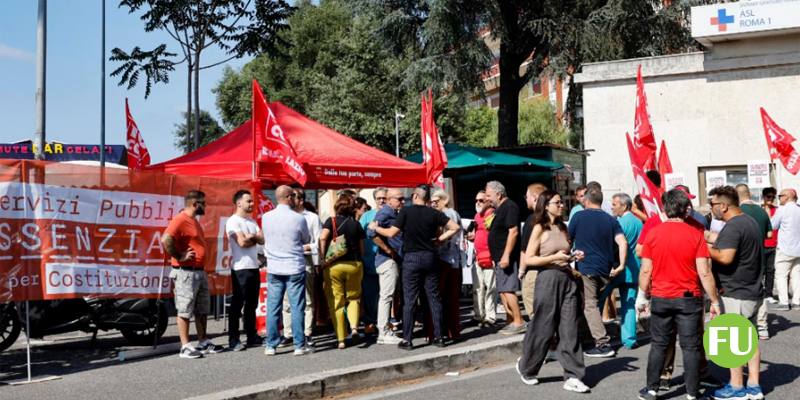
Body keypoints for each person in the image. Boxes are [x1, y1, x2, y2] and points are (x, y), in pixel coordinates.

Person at [636, 189, 721, 400]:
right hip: (689, 298)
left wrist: (641, 296)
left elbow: (646, 269)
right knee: (690, 346)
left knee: (659, 344)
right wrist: (714, 300)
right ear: (684, 209)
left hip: (661, 297)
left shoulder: (654, 233)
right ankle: (693, 393)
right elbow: (704, 271)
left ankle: (652, 388)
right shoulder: (695, 234)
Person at [516, 190, 590, 394]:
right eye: (557, 203)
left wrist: (573, 257)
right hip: (547, 278)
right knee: (544, 327)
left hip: (566, 277)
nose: (562, 206)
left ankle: (574, 375)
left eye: (562, 202)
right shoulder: (538, 227)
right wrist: (554, 257)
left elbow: (563, 254)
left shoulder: (563, 227)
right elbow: (529, 259)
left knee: (570, 328)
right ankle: (527, 368)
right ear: (546, 204)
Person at [370, 185, 461, 350]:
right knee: (434, 298)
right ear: (427, 199)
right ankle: (439, 337)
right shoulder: (434, 213)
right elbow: (455, 227)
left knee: (410, 300)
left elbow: (391, 233)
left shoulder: (406, 212)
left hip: (411, 258)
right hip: (430, 257)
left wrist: (375, 228)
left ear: (414, 196)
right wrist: (440, 239)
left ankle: (407, 339)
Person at [706, 185, 764, 400]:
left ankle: (737, 387)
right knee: (751, 339)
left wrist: (701, 247)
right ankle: (754, 385)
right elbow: (730, 243)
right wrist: (709, 237)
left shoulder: (733, 226)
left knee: (733, 341)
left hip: (736, 291)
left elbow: (726, 256)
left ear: (723, 205)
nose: (711, 208)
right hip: (752, 290)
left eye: (712, 204)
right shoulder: (749, 221)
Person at [162, 190, 223, 359]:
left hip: (198, 272)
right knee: (185, 309)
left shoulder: (193, 221)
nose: (206, 206)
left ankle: (203, 341)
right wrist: (180, 256)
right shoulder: (180, 219)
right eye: (203, 203)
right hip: (185, 273)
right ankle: (185, 346)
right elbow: (166, 239)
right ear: (195, 204)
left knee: (202, 309)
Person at [568, 186, 627, 358]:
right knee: (590, 304)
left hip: (586, 267)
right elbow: (622, 242)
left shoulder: (578, 216)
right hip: (605, 269)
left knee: (589, 305)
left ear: (586, 200)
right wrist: (621, 265)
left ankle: (602, 343)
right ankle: (580, 336)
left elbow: (568, 240)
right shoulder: (610, 220)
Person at [262, 185, 312, 356]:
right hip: (294, 266)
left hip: (274, 266)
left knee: (273, 307)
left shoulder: (266, 217)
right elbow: (306, 238)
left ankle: (271, 344)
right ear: (289, 197)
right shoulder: (298, 218)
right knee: (297, 306)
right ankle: (299, 345)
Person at [319, 195, 367, 349]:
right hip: (354, 264)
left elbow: (322, 237)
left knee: (336, 302)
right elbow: (362, 249)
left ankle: (340, 339)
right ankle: (353, 327)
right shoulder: (356, 224)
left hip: (334, 266)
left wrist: (323, 257)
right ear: (352, 208)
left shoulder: (330, 221)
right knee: (353, 298)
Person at [279, 189, 321, 348]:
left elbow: (318, 243)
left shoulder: (312, 218)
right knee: (287, 301)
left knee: (308, 300)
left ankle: (307, 333)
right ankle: (288, 333)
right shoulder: (285, 217)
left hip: (305, 261)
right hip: (287, 262)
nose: (289, 200)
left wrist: (300, 248)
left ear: (300, 200)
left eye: (293, 197)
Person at [226, 190, 265, 351]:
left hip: (254, 266)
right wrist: (251, 238)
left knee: (252, 304)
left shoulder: (252, 221)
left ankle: (251, 335)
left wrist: (252, 237)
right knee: (237, 304)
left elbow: (262, 238)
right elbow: (241, 242)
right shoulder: (233, 221)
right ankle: (234, 339)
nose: (252, 204)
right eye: (248, 201)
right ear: (239, 203)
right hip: (240, 268)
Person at [485, 180, 525, 335]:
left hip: (505, 256)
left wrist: (506, 255)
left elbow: (513, 231)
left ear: (498, 194)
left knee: (508, 289)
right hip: (499, 257)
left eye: (489, 195)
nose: (487, 198)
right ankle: (511, 320)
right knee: (502, 290)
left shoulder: (509, 207)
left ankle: (518, 321)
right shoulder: (499, 209)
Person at [604, 192, 642, 349]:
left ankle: (598, 336)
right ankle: (630, 339)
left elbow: (614, 246)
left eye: (614, 204)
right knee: (629, 304)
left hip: (617, 268)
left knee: (600, 300)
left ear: (624, 206)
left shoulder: (619, 223)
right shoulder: (638, 223)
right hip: (633, 269)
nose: (612, 207)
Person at [736, 184, 773, 340]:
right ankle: (762, 326)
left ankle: (743, 326)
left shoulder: (737, 213)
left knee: (741, 292)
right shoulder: (761, 211)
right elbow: (770, 234)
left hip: (742, 259)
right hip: (760, 257)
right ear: (749, 194)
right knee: (760, 290)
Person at [368, 188, 405, 344]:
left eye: (403, 199)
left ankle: (384, 330)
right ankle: (383, 332)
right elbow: (371, 233)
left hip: (390, 259)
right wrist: (388, 250)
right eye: (399, 199)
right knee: (386, 295)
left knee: (388, 295)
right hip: (387, 260)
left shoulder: (393, 213)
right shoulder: (386, 213)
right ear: (390, 200)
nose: (402, 201)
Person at [431, 190, 463, 340]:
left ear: (444, 200)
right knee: (449, 297)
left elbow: (450, 230)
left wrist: (438, 240)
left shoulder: (448, 213)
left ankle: (450, 331)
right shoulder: (452, 212)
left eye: (436, 201)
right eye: (432, 202)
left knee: (446, 297)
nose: (433, 204)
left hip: (447, 259)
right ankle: (452, 331)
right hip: (452, 260)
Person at [360, 188, 388, 336]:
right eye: (379, 198)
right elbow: (360, 236)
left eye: (384, 198)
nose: (382, 201)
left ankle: (384, 321)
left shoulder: (391, 214)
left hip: (387, 260)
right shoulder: (366, 216)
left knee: (386, 294)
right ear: (375, 200)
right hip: (369, 260)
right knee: (370, 294)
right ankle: (370, 322)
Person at [519, 183, 548, 318]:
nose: (526, 199)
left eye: (527, 196)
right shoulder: (552, 218)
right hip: (550, 269)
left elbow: (525, 249)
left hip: (534, 270)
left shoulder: (532, 219)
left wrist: (521, 270)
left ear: (535, 198)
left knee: (534, 310)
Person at [469, 190, 497, 327]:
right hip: (478, 256)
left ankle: (490, 316)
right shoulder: (476, 215)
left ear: (488, 201)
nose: (477, 203)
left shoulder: (492, 214)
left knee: (490, 288)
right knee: (478, 288)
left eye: (481, 200)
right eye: (476, 200)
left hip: (489, 256)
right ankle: (478, 314)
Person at [771, 188, 800, 311]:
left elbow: (773, 225)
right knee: (797, 275)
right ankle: (796, 302)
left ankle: (784, 302)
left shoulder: (782, 210)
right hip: (798, 248)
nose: (779, 198)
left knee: (781, 275)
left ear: (787, 196)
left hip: (785, 248)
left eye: (780, 196)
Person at [761, 187, 779, 305]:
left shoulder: (778, 210)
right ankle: (759, 293)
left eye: (773, 197)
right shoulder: (759, 210)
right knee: (760, 270)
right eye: (768, 196)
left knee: (770, 270)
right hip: (761, 245)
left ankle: (768, 293)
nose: (771, 199)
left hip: (773, 245)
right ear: (763, 197)